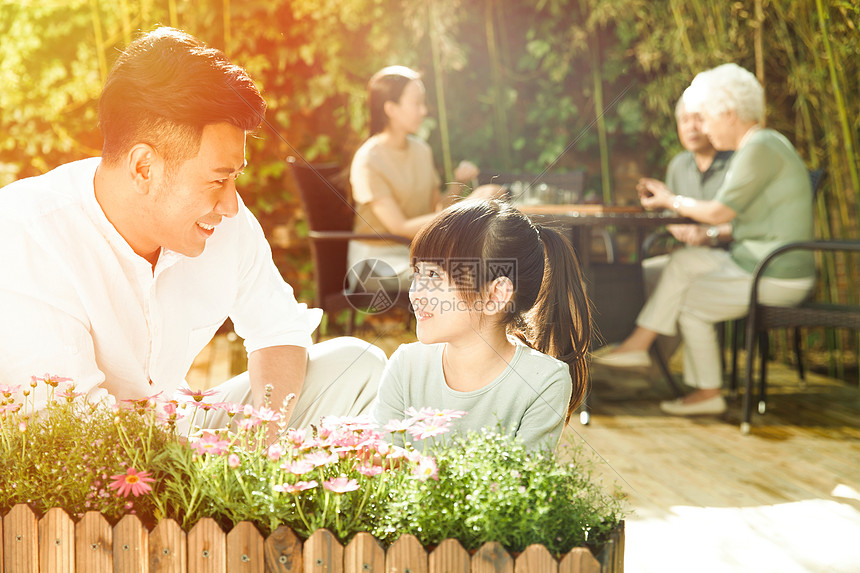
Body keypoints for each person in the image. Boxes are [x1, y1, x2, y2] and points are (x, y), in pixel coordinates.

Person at [0, 27, 385, 430]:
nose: (232, 205)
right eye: (218, 179)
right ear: (144, 168)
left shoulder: (222, 223)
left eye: (235, 176)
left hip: (179, 434)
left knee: (357, 365)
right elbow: (73, 429)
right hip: (93, 460)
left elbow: (278, 329)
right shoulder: (27, 234)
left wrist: (261, 445)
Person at [593, 63, 815, 416]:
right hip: (753, 258)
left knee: (691, 301)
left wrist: (669, 200)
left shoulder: (760, 147)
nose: (706, 130)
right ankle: (639, 344)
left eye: (707, 119)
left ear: (729, 113)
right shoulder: (761, 145)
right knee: (682, 262)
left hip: (775, 269)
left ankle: (706, 390)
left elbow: (717, 212)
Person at [371, 200, 591, 449]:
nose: (415, 293)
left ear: (495, 295)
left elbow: (522, 484)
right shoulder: (406, 364)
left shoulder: (544, 381)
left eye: (434, 275)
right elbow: (382, 468)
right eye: (417, 273)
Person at [348, 65, 500, 290]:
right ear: (390, 108)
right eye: (416, 103)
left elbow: (434, 211)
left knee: (487, 271)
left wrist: (460, 185)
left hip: (414, 257)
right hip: (374, 264)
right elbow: (398, 226)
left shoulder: (421, 150)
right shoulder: (368, 159)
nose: (423, 111)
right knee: (455, 281)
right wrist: (469, 205)